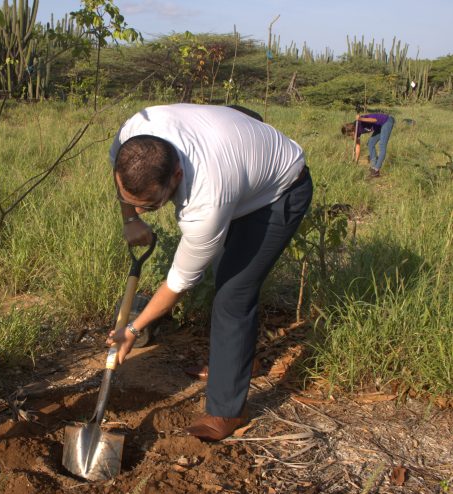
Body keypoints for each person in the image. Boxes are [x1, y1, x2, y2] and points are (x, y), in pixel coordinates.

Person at [107, 104, 313, 442]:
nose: (143, 210)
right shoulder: (134, 131)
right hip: (238, 159)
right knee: (225, 272)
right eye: (132, 199)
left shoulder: (207, 200)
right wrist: (130, 217)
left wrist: (134, 327)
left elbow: (180, 281)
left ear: (175, 176)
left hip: (278, 192)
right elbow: (126, 183)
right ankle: (234, 365)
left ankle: (225, 410)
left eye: (150, 206)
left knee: (234, 292)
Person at [341, 112, 394, 178]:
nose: (350, 136)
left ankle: (376, 170)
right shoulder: (356, 131)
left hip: (386, 121)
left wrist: (361, 119)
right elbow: (358, 146)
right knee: (370, 143)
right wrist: (356, 162)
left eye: (349, 135)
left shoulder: (359, 123)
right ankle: (373, 165)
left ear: (352, 130)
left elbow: (375, 120)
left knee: (382, 145)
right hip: (379, 127)